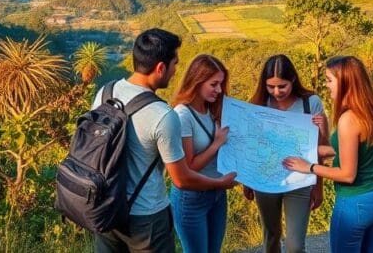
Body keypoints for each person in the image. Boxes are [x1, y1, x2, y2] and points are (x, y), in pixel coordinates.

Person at [92, 29, 237, 253]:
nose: (175, 70)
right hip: (146, 216)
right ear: (161, 67)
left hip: (107, 208)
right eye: (174, 64)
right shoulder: (163, 115)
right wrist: (221, 183)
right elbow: (181, 178)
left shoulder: (105, 92)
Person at [283, 55, 373, 253]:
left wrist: (308, 167)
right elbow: (357, 149)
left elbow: (348, 175)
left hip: (357, 203)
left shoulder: (349, 119)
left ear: (344, 82)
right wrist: (318, 150)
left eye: (329, 80)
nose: (326, 85)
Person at [244, 54, 328, 253]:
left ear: (292, 80)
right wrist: (248, 181)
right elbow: (251, 144)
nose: (276, 92)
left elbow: (322, 146)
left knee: (295, 246)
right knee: (270, 237)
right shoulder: (258, 103)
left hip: (300, 181)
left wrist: (319, 186)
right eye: (270, 86)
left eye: (282, 86)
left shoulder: (311, 103)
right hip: (265, 181)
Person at [169, 54, 231, 253]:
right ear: (197, 81)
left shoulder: (212, 110)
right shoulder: (183, 114)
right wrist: (216, 144)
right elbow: (189, 167)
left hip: (218, 194)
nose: (219, 90)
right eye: (214, 84)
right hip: (191, 198)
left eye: (221, 84)